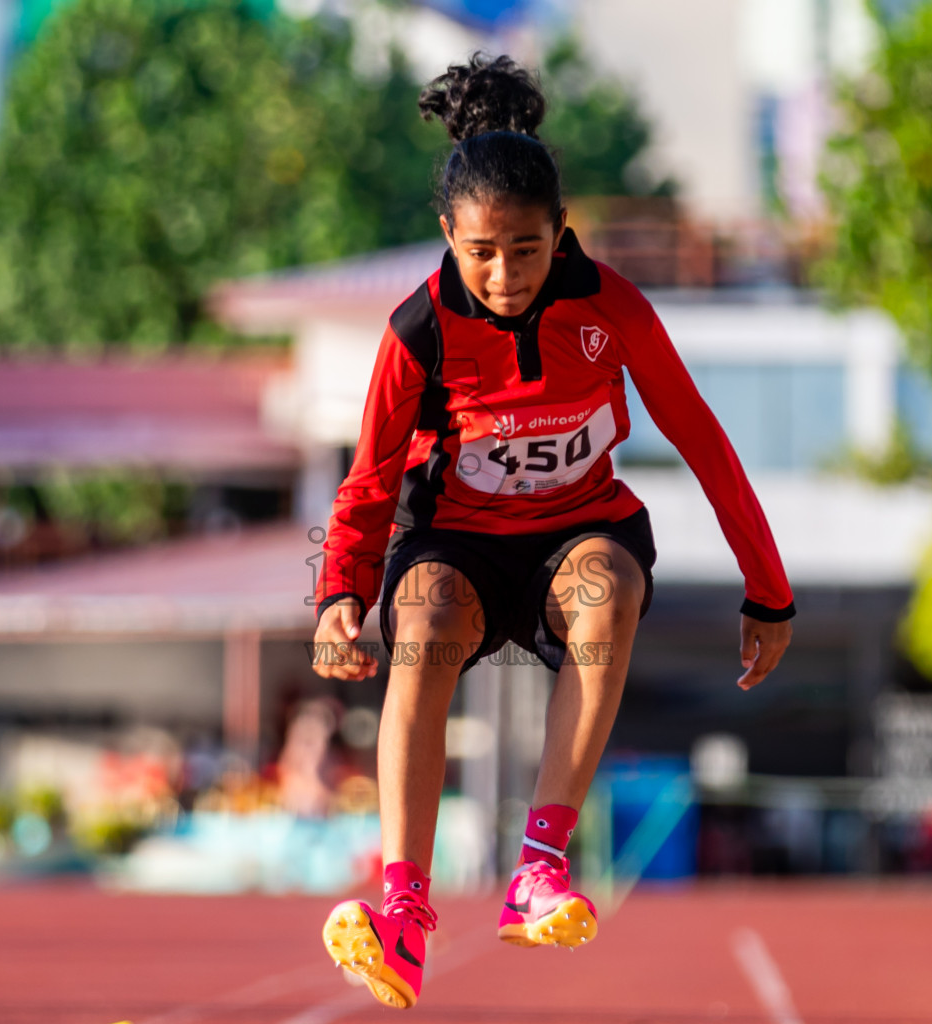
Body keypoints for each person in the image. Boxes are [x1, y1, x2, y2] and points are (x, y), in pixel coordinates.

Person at [309, 53, 796, 1010]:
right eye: (480, 252)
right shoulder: (419, 331)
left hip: (579, 529)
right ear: (448, 235)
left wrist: (768, 591)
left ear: (559, 233)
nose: (502, 274)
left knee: (606, 594)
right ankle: (402, 911)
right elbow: (366, 479)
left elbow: (705, 444)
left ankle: (539, 866)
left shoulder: (611, 307)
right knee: (426, 625)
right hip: (456, 539)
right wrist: (339, 597)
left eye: (525, 251)